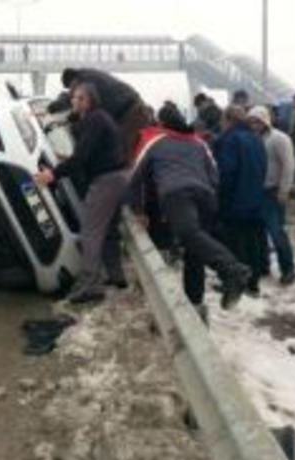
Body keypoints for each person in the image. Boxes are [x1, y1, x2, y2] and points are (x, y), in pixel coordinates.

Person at [129, 103, 252, 311]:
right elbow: (214, 174)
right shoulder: (198, 142)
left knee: (187, 233)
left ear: (161, 123)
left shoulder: (153, 139)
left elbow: (134, 177)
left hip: (175, 193)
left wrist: (139, 210)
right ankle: (195, 301)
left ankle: (232, 270)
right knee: (195, 248)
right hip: (206, 196)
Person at [35, 82, 131, 304]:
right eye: (73, 98)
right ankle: (116, 276)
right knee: (108, 231)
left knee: (90, 231)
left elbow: (81, 158)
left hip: (106, 181)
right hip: (119, 177)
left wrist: (53, 174)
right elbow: (88, 154)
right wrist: (64, 161)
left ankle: (91, 286)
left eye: (79, 98)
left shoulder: (94, 120)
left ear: (89, 101)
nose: (74, 102)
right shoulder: (101, 118)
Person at [214, 105, 268, 295]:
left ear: (228, 120)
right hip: (256, 200)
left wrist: (220, 200)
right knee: (252, 243)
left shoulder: (229, 140)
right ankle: (253, 284)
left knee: (234, 244)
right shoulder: (256, 138)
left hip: (235, 202)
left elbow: (226, 173)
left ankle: (234, 283)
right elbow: (263, 169)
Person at [49, 67, 152, 159]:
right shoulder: (89, 76)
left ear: (73, 80)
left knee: (120, 154)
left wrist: (51, 109)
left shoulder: (84, 80)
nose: (71, 90)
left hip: (132, 114)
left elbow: (77, 101)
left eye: (71, 87)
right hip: (132, 112)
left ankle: (123, 179)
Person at [247, 106, 295, 285]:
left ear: (265, 121)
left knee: (277, 232)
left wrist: (284, 190)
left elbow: (289, 166)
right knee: (258, 231)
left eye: (257, 121)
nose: (254, 125)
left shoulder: (279, 138)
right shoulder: (252, 139)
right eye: (251, 121)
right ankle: (263, 264)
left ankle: (288, 268)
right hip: (256, 191)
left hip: (273, 192)